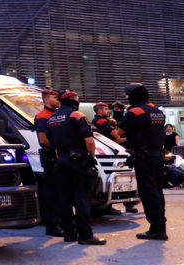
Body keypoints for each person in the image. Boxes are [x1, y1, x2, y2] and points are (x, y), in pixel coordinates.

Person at [45, 89, 106, 245]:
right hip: (78, 160)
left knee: (64, 199)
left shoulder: (52, 118)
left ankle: (69, 234)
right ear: (73, 100)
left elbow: (49, 141)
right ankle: (85, 235)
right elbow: (90, 141)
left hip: (61, 160)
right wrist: (90, 157)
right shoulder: (76, 115)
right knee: (82, 197)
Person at [115, 83, 168, 241]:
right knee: (157, 191)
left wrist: (118, 117)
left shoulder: (134, 112)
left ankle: (157, 229)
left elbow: (120, 132)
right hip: (158, 155)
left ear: (133, 96)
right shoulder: (157, 111)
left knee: (148, 193)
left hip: (144, 158)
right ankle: (160, 226)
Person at [34, 88, 63, 237]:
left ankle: (61, 221)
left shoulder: (57, 114)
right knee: (51, 192)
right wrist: (58, 148)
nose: (58, 100)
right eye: (54, 97)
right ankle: (52, 225)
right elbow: (43, 139)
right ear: (46, 99)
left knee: (61, 192)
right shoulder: (42, 116)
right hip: (51, 157)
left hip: (60, 157)